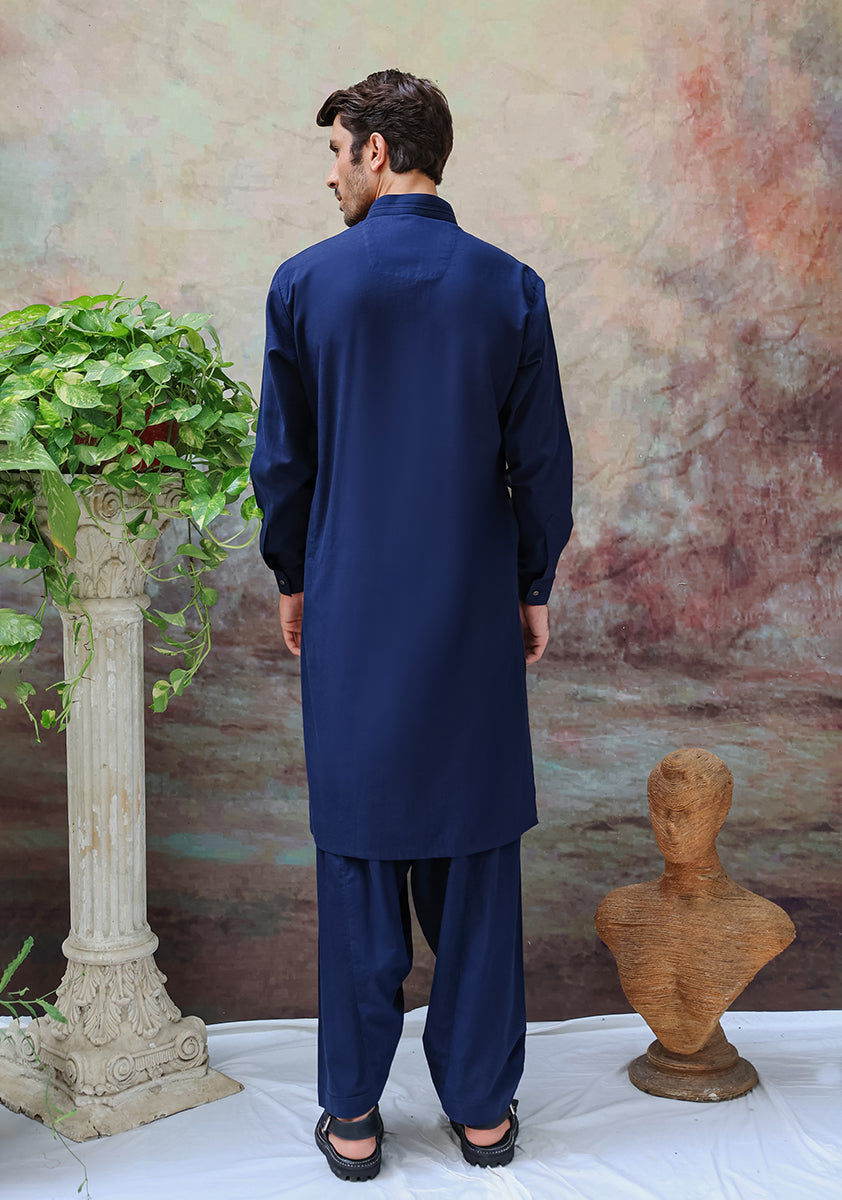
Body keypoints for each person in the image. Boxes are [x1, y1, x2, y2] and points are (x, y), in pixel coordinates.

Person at [250, 69, 573, 1181]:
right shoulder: (510, 286)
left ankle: (352, 1118)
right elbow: (540, 463)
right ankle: (482, 1113)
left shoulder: (304, 284)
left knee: (359, 855)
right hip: (472, 611)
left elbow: (284, 463)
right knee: (474, 856)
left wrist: (293, 573)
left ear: (378, 152)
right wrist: (531, 585)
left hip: (350, 605)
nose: (330, 175)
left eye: (337, 152)